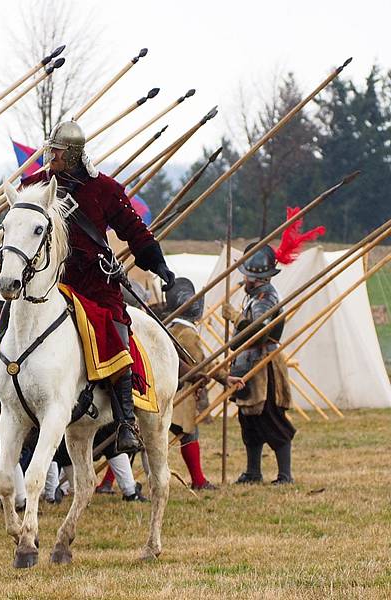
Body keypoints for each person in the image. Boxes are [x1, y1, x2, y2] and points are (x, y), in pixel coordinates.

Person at [20, 120, 175, 454]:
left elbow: (134, 229)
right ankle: (4, 416)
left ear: (74, 153)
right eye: (51, 149)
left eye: (58, 151)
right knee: (10, 325)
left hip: (92, 280)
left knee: (116, 327)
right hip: (49, 280)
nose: (51, 156)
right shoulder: (34, 185)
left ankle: (124, 420)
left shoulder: (104, 189)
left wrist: (157, 263)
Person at [223, 245, 295, 485]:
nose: (243, 278)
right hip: (249, 362)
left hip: (264, 364)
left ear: (254, 276)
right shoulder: (255, 296)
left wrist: (235, 317)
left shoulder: (266, 298)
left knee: (270, 418)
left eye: (245, 273)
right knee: (249, 420)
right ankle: (253, 472)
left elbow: (259, 334)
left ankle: (285, 475)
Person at [165, 278, 243, 490]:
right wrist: (222, 377)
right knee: (189, 435)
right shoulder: (188, 334)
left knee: (146, 441)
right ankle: (198, 480)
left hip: (169, 390)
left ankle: (113, 482)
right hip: (180, 393)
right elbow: (201, 366)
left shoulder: (171, 328)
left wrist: (224, 378)